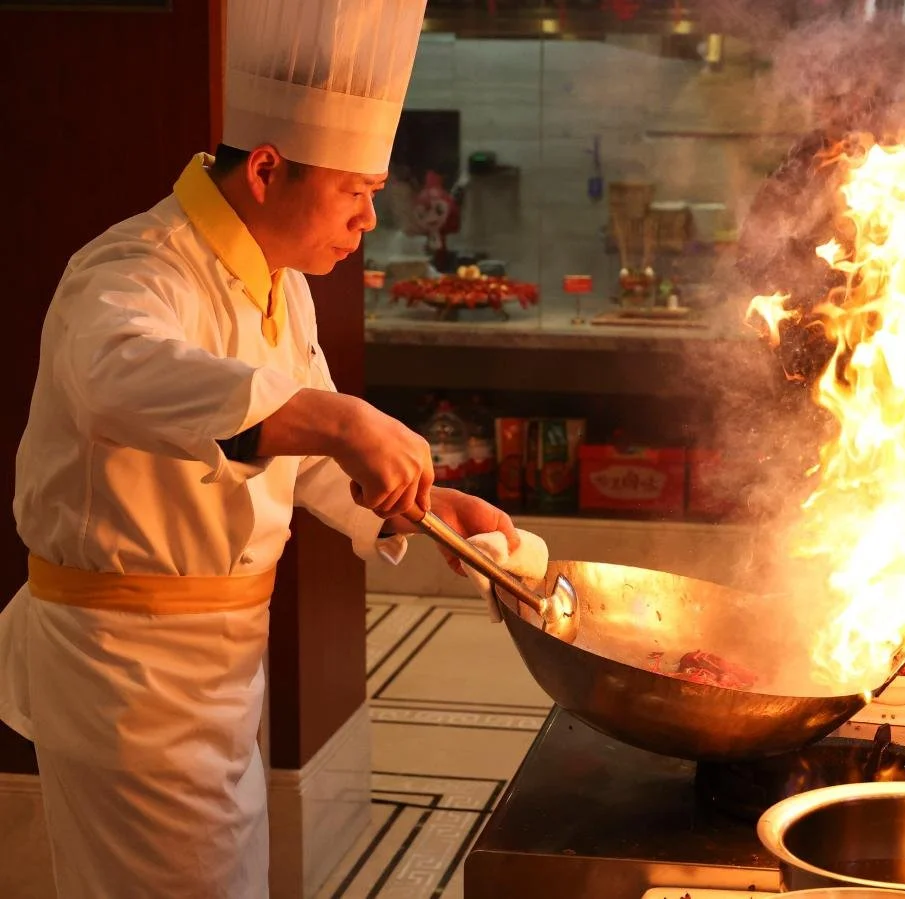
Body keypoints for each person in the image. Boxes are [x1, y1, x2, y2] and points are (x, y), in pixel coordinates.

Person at [0, 0, 533, 896]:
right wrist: (340, 418)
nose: (370, 220)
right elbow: (123, 377)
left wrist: (427, 509)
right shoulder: (132, 270)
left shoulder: (280, 283)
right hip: (125, 674)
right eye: (356, 192)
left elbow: (299, 447)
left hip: (220, 668)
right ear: (269, 169)